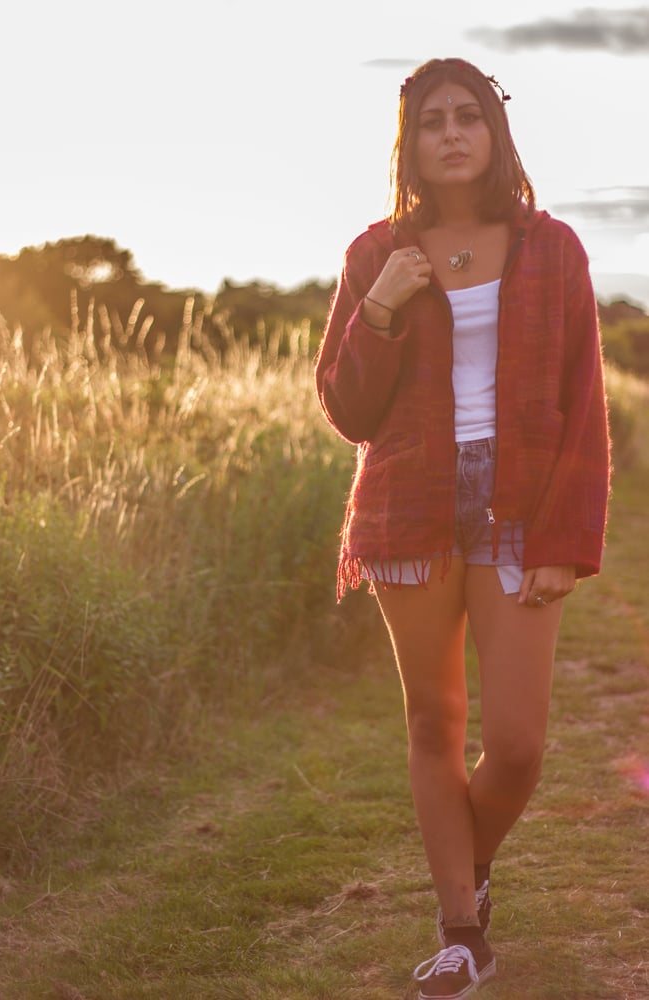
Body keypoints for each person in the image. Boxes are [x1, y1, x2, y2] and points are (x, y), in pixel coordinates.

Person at [314, 57, 610, 999]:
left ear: (494, 135)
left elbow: (584, 400)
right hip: (408, 504)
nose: (450, 132)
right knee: (434, 722)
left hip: (520, 501)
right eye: (432, 120)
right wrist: (383, 307)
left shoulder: (551, 248)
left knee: (518, 742)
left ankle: (464, 874)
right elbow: (347, 408)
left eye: (467, 117)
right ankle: (459, 935)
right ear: (410, 144)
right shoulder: (374, 255)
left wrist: (568, 538)